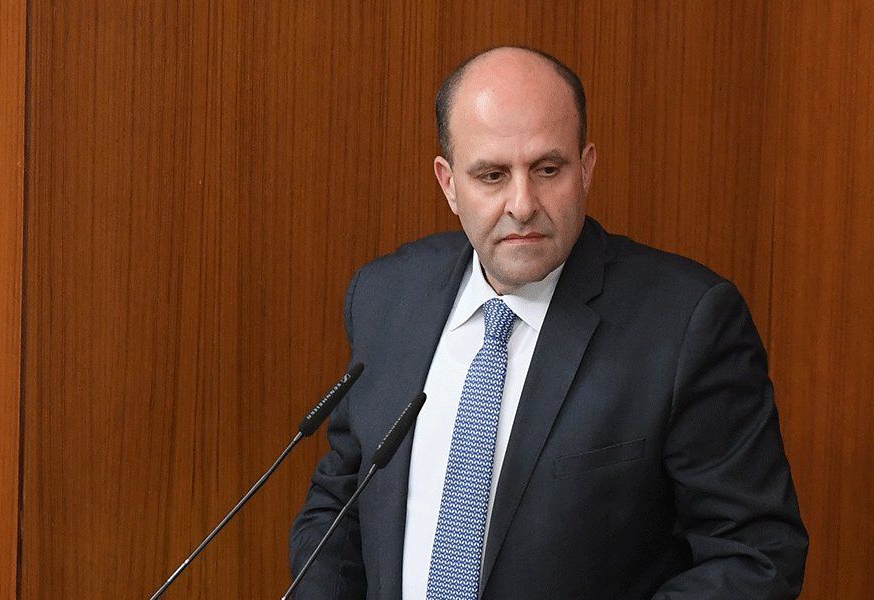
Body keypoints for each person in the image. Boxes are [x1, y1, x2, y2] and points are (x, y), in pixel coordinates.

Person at [290, 46, 808, 599]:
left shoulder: (686, 323)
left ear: (586, 168)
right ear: (448, 183)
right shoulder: (386, 298)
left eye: (547, 169)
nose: (523, 204)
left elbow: (754, 556)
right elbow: (340, 505)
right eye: (493, 175)